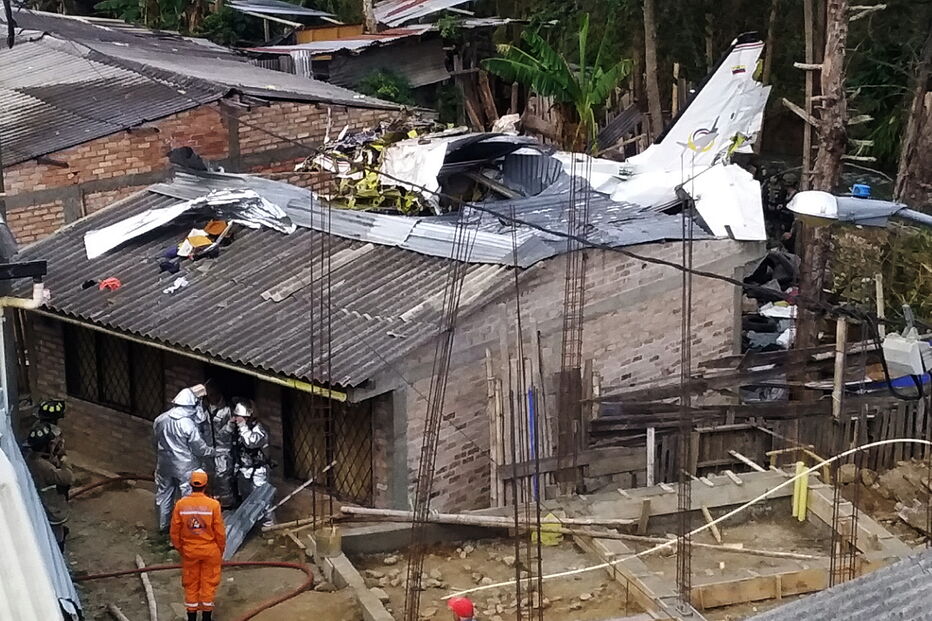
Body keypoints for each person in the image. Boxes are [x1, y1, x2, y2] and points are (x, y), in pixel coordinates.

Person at [153, 385, 214, 532]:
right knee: (188, 497)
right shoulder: (188, 424)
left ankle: (163, 526)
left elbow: (155, 442)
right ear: (191, 405)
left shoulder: (160, 419)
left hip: (164, 464)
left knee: (164, 494)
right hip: (186, 466)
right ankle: (187, 529)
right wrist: (213, 452)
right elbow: (199, 448)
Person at [171, 469, 225, 621]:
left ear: (190, 484)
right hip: (210, 551)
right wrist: (220, 549)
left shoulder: (181, 505)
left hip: (189, 551)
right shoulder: (213, 505)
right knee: (209, 582)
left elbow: (174, 531)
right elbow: (220, 532)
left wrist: (181, 548)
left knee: (190, 582)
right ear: (205, 485)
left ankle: (192, 616)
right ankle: (206, 617)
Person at [25, 422, 74, 551]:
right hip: (51, 508)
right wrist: (63, 459)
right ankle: (59, 551)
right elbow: (67, 477)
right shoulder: (43, 466)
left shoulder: (30, 459)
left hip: (40, 505)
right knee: (56, 537)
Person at [232, 399, 273, 523]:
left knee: (262, 501)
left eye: (241, 418)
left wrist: (242, 427)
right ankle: (252, 526)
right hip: (243, 470)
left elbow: (251, 442)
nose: (238, 420)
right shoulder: (239, 430)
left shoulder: (260, 430)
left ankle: (269, 527)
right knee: (247, 502)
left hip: (258, 472)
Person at [199, 380, 236, 508]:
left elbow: (228, 432)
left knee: (223, 476)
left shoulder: (227, 410)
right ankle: (209, 502)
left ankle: (227, 505)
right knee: (207, 475)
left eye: (213, 395)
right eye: (208, 395)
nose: (211, 398)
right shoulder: (203, 408)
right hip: (208, 448)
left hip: (223, 449)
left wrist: (229, 426)